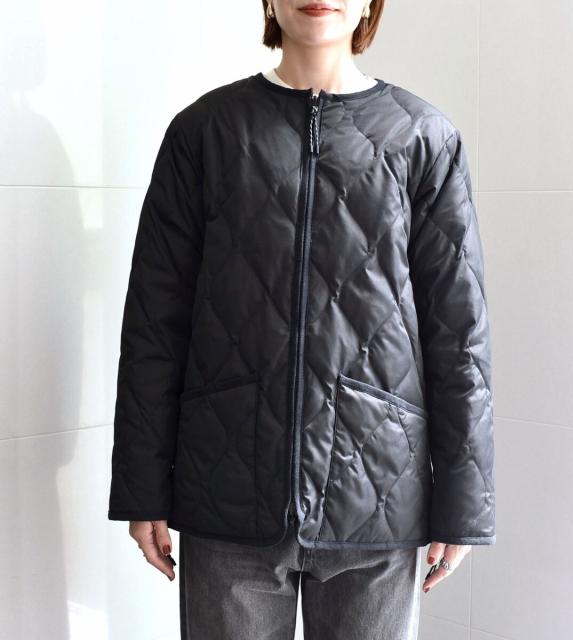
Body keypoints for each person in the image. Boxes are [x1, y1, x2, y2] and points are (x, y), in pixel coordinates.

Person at [107, 1, 496, 638]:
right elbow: (155, 320)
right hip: (227, 496)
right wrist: (142, 485)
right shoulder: (204, 132)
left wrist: (463, 503)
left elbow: (459, 335)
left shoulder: (424, 138)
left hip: (379, 500)